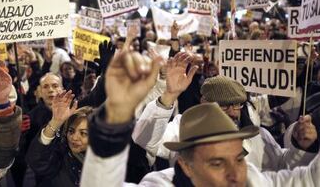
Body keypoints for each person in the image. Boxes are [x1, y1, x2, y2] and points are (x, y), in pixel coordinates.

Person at [79, 49, 320, 187]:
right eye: (216, 163)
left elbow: (307, 177)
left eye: (238, 159)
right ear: (185, 165)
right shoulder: (166, 176)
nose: (235, 174)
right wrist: (116, 117)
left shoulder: (252, 178)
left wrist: (304, 147)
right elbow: (146, 141)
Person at [133, 75, 318, 171]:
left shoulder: (259, 136)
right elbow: (146, 140)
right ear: (204, 104)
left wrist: (302, 147)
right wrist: (168, 96)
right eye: (223, 106)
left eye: (237, 105)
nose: (232, 112)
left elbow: (283, 167)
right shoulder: (184, 128)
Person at [26, 90, 92, 186]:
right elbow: (37, 161)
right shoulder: (60, 156)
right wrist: (55, 122)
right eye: (71, 131)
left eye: (83, 133)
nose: (74, 138)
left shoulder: (108, 160)